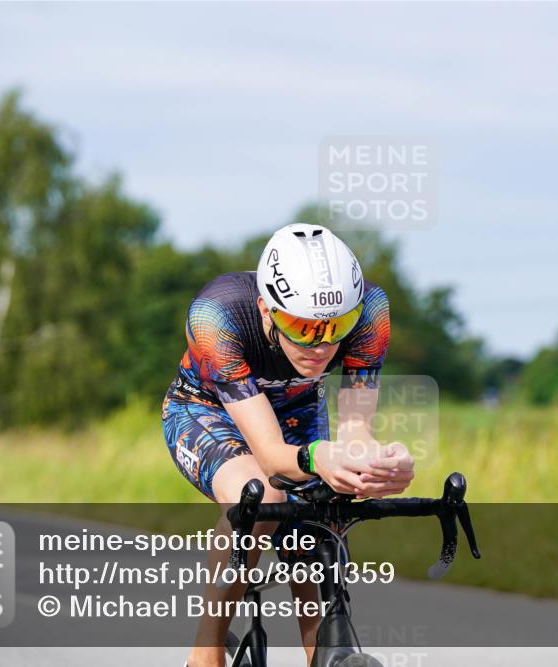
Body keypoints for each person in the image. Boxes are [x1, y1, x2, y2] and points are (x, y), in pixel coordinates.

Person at [161, 223, 415, 667]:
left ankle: (327, 655)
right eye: (302, 326)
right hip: (207, 410)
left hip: (296, 412)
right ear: (265, 308)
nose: (321, 347)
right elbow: (270, 454)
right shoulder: (216, 316)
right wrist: (318, 457)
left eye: (337, 328)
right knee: (259, 496)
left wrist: (380, 463)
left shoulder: (370, 311)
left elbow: (356, 432)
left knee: (320, 527)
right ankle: (205, 654)